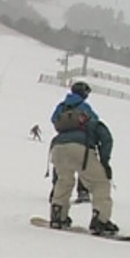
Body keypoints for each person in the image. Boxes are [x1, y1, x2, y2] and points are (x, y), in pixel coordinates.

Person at [48, 81, 118, 234]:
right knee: (100, 183)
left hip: (57, 147)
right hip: (81, 148)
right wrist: (105, 162)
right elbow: (105, 136)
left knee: (64, 180)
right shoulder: (86, 109)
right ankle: (101, 220)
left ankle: (58, 215)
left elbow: (54, 120)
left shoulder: (61, 107)